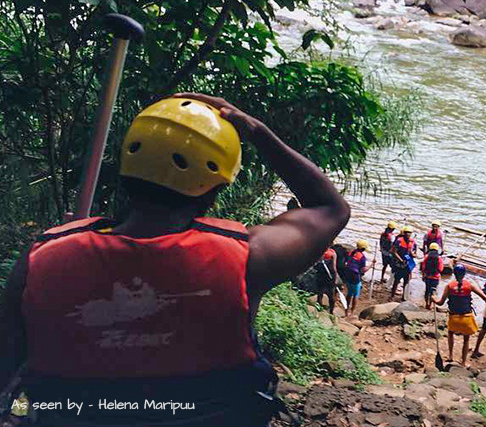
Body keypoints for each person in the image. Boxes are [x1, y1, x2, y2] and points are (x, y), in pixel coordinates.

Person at [0, 94, 351, 427]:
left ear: (125, 172)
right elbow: (329, 208)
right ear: (213, 191)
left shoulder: (41, 259)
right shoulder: (248, 259)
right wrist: (256, 132)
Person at [432, 264, 486, 368]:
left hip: (454, 318)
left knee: (450, 333)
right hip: (466, 318)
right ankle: (463, 362)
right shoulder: (470, 285)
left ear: (454, 273)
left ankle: (450, 356)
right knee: (466, 339)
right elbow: (485, 298)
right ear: (464, 274)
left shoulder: (449, 286)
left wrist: (434, 298)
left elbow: (440, 303)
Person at [390, 225, 416, 301]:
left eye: (409, 233)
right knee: (396, 280)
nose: (408, 234)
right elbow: (394, 252)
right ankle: (392, 296)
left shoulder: (412, 242)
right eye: (407, 233)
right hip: (399, 264)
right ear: (404, 233)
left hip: (407, 265)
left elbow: (413, 252)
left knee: (406, 281)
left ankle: (404, 297)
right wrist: (401, 260)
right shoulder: (399, 241)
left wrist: (413, 254)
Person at [345, 240, 370, 317]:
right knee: (355, 294)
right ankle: (352, 312)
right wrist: (372, 265)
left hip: (348, 274)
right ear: (363, 249)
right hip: (355, 276)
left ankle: (346, 310)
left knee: (349, 293)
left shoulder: (352, 252)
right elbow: (363, 269)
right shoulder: (362, 257)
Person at [315, 246, 339, 314]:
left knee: (320, 292)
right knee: (331, 294)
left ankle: (318, 307)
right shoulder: (333, 253)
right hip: (330, 276)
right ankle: (331, 311)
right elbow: (334, 266)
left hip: (321, 275)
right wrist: (336, 276)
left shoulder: (320, 252)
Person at [420, 242, 443, 310]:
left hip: (428, 277)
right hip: (435, 278)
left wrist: (424, 275)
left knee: (427, 290)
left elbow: (423, 268)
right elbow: (441, 269)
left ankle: (427, 303)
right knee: (433, 291)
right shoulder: (439, 258)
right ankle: (431, 305)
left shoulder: (426, 257)